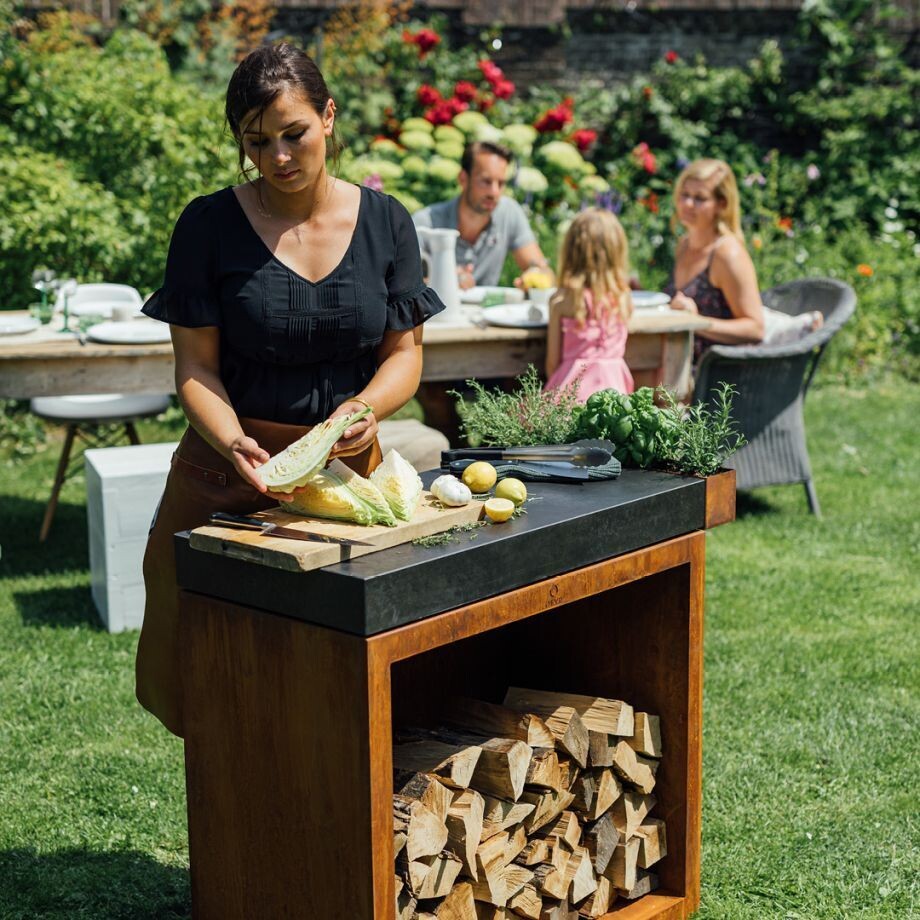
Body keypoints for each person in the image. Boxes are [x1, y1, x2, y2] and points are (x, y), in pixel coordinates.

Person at [135, 42, 445, 737]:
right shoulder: (207, 226)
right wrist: (232, 439)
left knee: (339, 685)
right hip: (227, 475)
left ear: (328, 117)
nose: (277, 156)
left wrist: (365, 407)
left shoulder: (387, 221)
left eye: (293, 133)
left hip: (345, 478)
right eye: (256, 142)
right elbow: (195, 368)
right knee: (213, 678)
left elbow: (404, 356)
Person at [666, 158, 821, 358]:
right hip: (676, 357)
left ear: (722, 204)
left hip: (714, 369)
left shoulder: (727, 254)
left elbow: (755, 329)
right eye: (684, 195)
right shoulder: (684, 245)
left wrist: (697, 322)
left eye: (700, 198)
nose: (688, 204)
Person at [412, 141, 553, 289]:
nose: (494, 192)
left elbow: (544, 271)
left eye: (501, 183)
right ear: (463, 179)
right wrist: (446, 280)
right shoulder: (425, 223)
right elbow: (401, 285)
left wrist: (534, 278)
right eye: (486, 181)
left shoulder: (509, 212)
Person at [545, 209, 634, 399]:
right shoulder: (623, 298)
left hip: (570, 396)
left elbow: (552, 364)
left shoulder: (562, 301)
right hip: (615, 398)